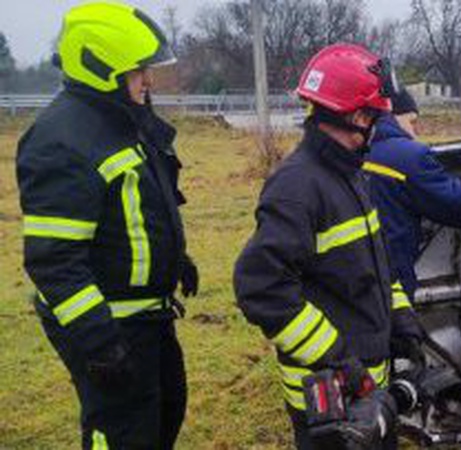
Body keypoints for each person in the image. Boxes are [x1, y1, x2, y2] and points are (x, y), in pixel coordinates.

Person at [16, 2, 198, 448]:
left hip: (147, 315)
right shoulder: (62, 141)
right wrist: (100, 343)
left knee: (165, 411)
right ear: (102, 68)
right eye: (139, 71)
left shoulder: (122, 119)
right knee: (122, 431)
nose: (148, 80)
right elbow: (55, 263)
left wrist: (174, 260)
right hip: (111, 326)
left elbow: (141, 206)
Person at [234, 44, 416, 449]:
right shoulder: (297, 187)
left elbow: (375, 265)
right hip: (330, 402)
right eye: (374, 117)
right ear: (357, 116)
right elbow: (261, 288)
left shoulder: (350, 175)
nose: (376, 128)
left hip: (368, 390)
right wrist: (336, 358)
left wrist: (400, 318)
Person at [364, 88, 461, 300]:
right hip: (389, 284)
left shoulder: (350, 152)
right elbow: (457, 205)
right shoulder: (406, 157)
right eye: (412, 122)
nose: (415, 134)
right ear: (390, 116)